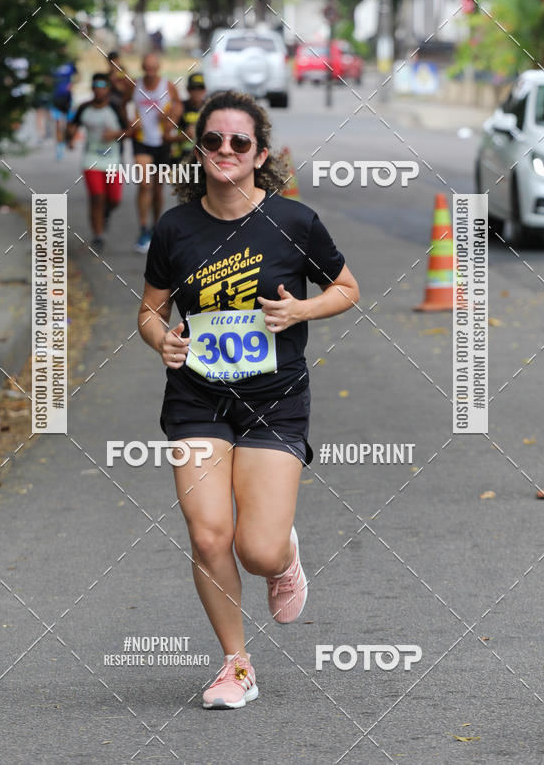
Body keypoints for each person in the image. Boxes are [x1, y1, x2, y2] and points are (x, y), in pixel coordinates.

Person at [137, 90, 359, 709]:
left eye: (240, 142)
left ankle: (284, 556)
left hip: (274, 396)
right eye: (213, 141)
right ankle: (236, 664)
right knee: (209, 535)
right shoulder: (175, 228)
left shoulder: (294, 222)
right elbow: (150, 311)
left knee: (255, 548)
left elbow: (346, 288)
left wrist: (301, 309)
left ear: (261, 153)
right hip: (196, 398)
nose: (225, 151)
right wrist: (164, 341)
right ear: (200, 151)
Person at [67, 73, 128, 253]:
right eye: (96, 85)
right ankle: (98, 235)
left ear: (108, 89)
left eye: (103, 86)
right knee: (96, 197)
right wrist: (70, 137)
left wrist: (115, 135)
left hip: (113, 159)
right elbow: (72, 126)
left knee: (115, 199)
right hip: (91, 159)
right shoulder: (84, 107)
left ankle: (106, 213)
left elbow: (129, 131)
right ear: (92, 87)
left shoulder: (115, 108)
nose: (99, 89)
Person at [132, 53, 182, 253]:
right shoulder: (136, 85)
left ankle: (155, 226)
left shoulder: (167, 86)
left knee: (158, 188)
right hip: (142, 140)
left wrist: (171, 119)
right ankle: (143, 228)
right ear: (142, 67)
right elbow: (123, 102)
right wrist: (127, 122)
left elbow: (178, 105)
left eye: (153, 68)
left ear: (159, 67)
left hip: (162, 142)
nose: (150, 72)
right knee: (145, 184)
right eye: (147, 68)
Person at [168, 72, 207, 162]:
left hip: (203, 157)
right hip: (182, 157)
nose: (197, 92)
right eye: (193, 88)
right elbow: (164, 137)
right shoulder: (179, 107)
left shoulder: (210, 108)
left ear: (205, 90)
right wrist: (184, 136)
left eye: (200, 88)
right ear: (187, 89)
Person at [50, 57, 77, 159]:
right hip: (56, 98)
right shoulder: (53, 64)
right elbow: (48, 78)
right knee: (58, 123)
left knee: (69, 122)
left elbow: (78, 76)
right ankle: (59, 147)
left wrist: (72, 84)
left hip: (68, 98)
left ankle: (69, 140)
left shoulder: (70, 64)